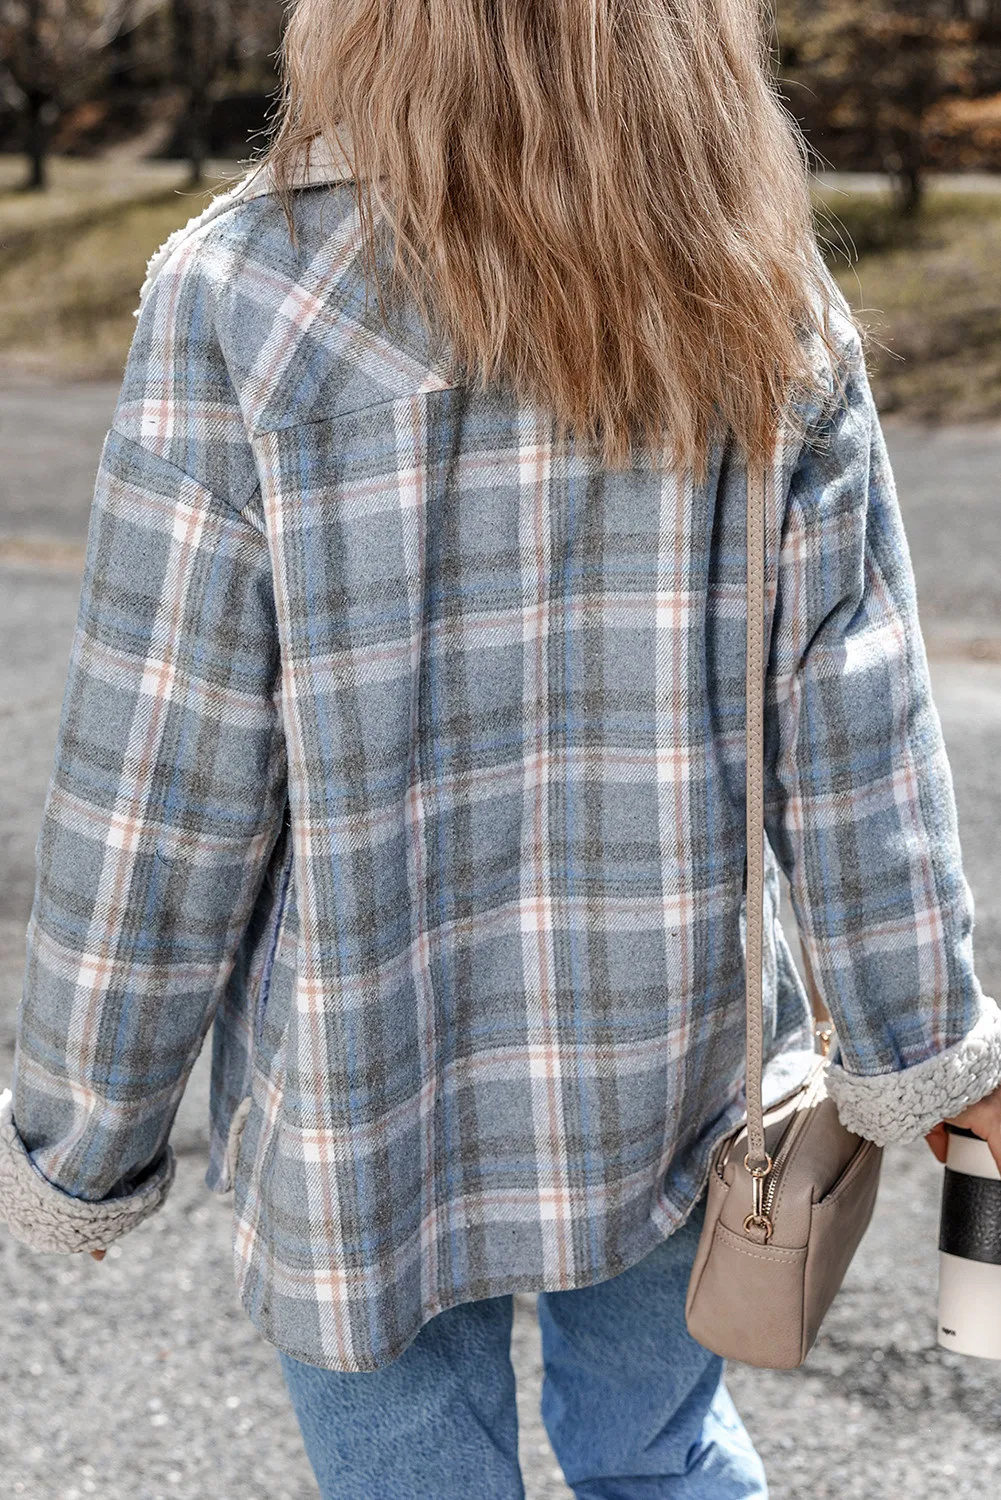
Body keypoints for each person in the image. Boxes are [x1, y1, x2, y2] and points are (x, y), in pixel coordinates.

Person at [1, 1, 999, 1496]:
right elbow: (857, 732)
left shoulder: (243, 297)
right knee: (660, 1455)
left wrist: (84, 1132)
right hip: (672, 1071)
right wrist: (924, 1047)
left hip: (363, 1095)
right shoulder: (758, 286)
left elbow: (159, 781)